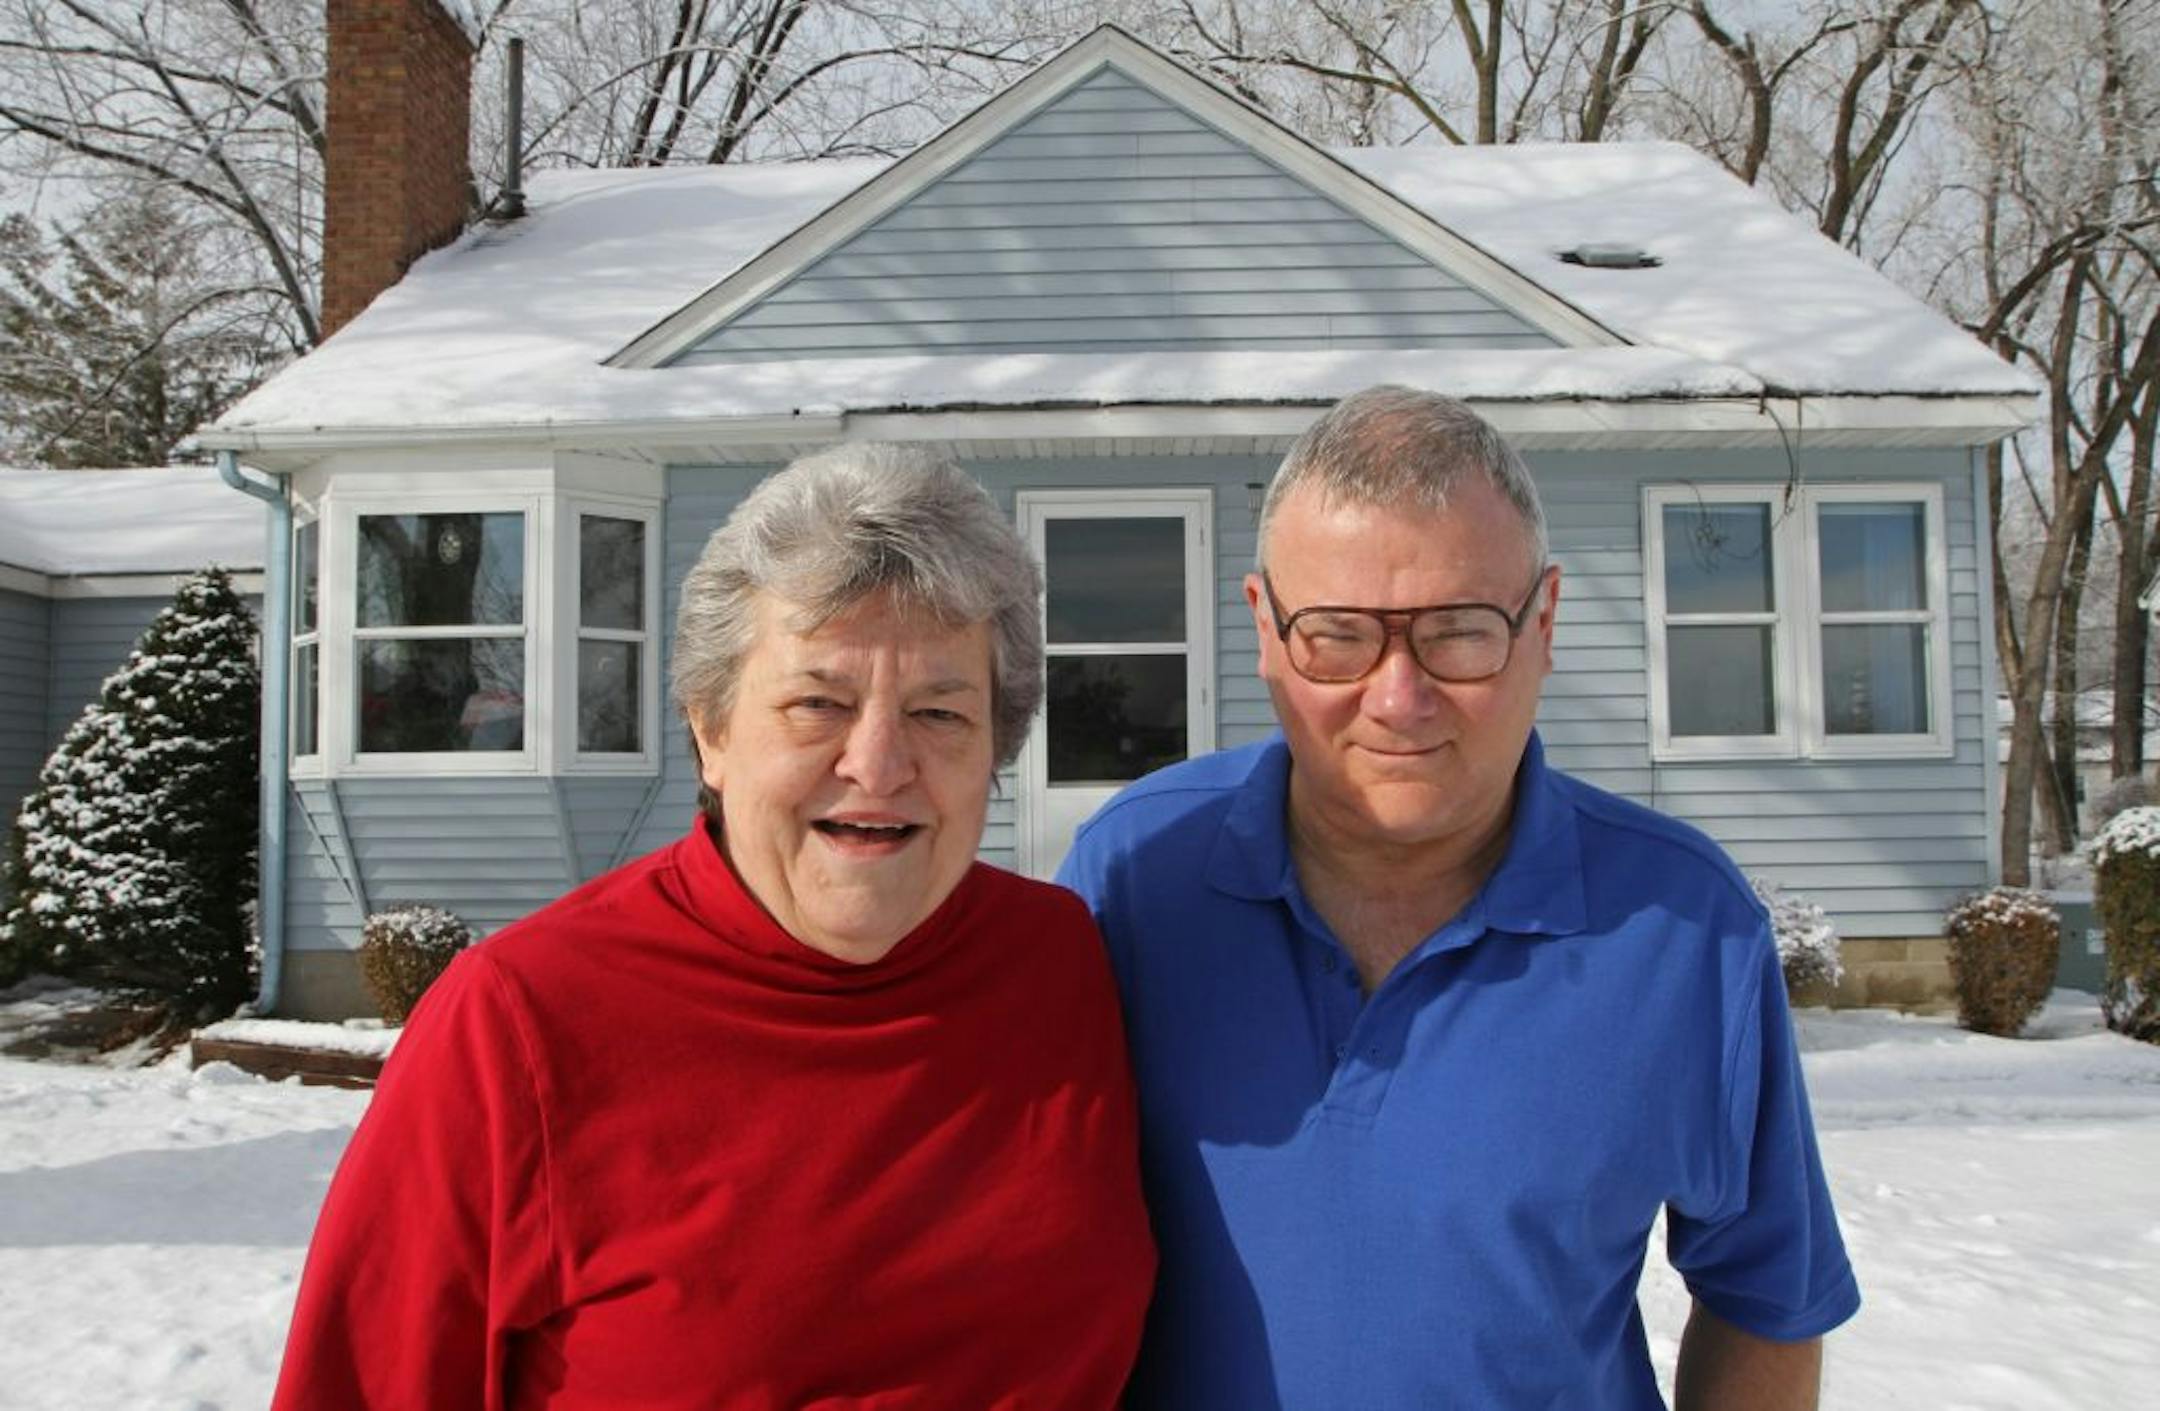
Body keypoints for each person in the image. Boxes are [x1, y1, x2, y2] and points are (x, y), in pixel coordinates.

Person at [275, 445, 1156, 1409]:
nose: (879, 762)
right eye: (818, 702)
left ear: (998, 740)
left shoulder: (1061, 964)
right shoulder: (517, 1024)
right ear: (712, 729)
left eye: (940, 711)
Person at [1057, 386, 1859, 1410]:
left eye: (1460, 629)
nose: (1399, 696)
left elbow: (1768, 1294)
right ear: (1264, 625)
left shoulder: (1684, 928)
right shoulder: (1133, 878)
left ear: (1546, 620)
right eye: (1338, 633)